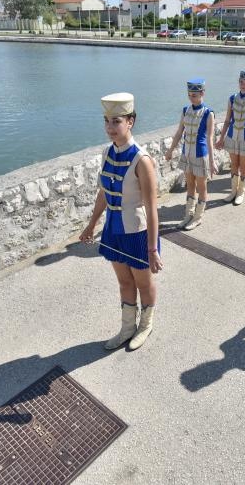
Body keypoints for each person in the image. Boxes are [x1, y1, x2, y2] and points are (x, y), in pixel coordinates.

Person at [80, 92, 163, 351]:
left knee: (143, 282)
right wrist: (91, 224)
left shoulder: (142, 160)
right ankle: (127, 328)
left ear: (131, 121)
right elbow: (103, 193)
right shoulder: (107, 153)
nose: (109, 128)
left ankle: (145, 325)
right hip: (113, 230)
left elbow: (151, 209)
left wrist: (152, 249)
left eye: (116, 121)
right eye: (106, 121)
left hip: (137, 233)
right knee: (124, 282)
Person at [165, 79, 216, 230]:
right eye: (189, 95)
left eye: (194, 95)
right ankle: (188, 215)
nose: (191, 98)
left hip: (200, 154)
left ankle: (198, 217)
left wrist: (212, 162)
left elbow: (209, 138)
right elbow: (179, 132)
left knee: (201, 187)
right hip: (186, 154)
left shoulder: (208, 113)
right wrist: (170, 150)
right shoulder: (185, 110)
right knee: (190, 186)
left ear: (202, 93)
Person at [215, 71, 245, 205]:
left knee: (244, 166)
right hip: (232, 137)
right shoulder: (231, 98)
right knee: (234, 165)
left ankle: (241, 192)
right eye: (241, 82)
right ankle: (233, 191)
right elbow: (227, 120)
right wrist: (221, 138)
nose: (243, 85)